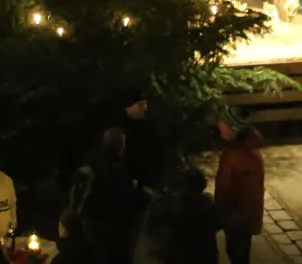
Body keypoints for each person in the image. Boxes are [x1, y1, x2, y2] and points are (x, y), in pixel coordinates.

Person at [80, 128, 137, 264]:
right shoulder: (119, 172)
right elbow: (124, 204)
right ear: (121, 146)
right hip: (110, 230)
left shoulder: (91, 160)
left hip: (89, 223)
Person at [142, 168, 219, 264]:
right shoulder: (208, 203)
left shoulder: (178, 205)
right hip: (206, 255)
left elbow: (169, 227)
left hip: (185, 256)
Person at [213, 121, 264, 264]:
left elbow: (246, 190)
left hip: (238, 214)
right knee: (236, 252)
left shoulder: (239, 155)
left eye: (222, 125)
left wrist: (226, 211)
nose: (219, 128)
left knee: (238, 254)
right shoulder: (239, 151)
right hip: (238, 212)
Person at [120, 91, 164, 195]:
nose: (145, 107)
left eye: (145, 103)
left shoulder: (150, 128)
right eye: (140, 104)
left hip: (144, 187)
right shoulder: (118, 127)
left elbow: (157, 155)